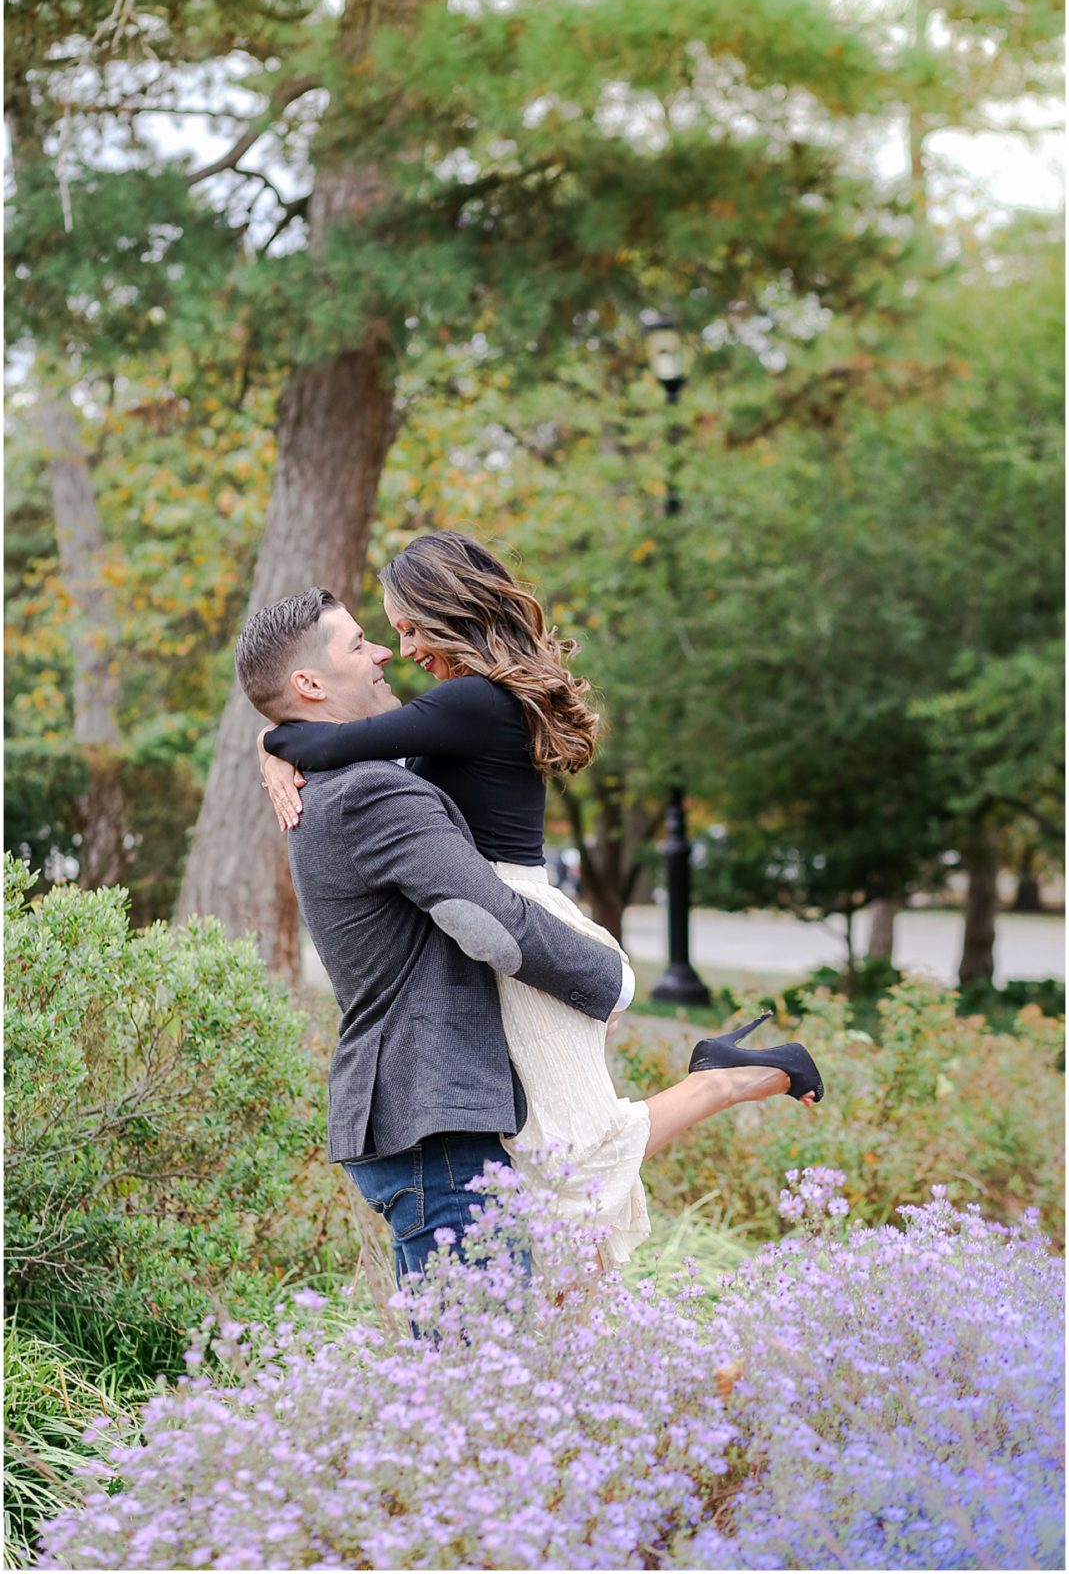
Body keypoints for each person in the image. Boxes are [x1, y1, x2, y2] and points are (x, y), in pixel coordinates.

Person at [258, 536, 823, 1270]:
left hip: (512, 918)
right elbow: (347, 741)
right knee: (550, 1159)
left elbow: (340, 743)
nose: (398, 648)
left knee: (573, 1153)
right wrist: (280, 733)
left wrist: (273, 740)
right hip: (498, 910)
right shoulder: (468, 703)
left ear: (446, 610)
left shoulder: (467, 701)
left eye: (405, 626)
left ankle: (726, 1078)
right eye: (384, 634)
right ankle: (717, 1081)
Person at [235, 587, 634, 1285]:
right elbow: (490, 924)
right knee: (477, 1364)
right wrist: (610, 981)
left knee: (468, 1369)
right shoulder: (369, 793)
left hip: (420, 1118)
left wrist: (273, 740)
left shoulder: (343, 781)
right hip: (433, 1119)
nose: (384, 652)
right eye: (359, 644)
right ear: (309, 683)